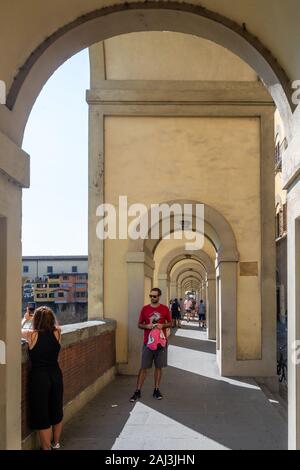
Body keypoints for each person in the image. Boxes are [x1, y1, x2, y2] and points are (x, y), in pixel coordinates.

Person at [21, 306, 63, 450]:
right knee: (56, 409)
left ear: (36, 319)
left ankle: (46, 448)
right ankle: (56, 443)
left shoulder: (32, 335)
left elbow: (12, 331)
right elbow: (52, 326)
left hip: (39, 377)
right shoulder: (57, 332)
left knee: (42, 412)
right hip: (56, 375)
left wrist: (26, 319)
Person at [129, 288, 172, 402]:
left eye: (154, 296)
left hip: (161, 343)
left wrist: (162, 325)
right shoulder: (145, 309)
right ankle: (137, 391)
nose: (152, 298)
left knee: (159, 367)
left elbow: (171, 323)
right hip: (147, 343)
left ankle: (156, 390)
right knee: (143, 367)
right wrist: (146, 326)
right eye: (150, 296)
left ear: (159, 296)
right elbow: (139, 324)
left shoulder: (164, 309)